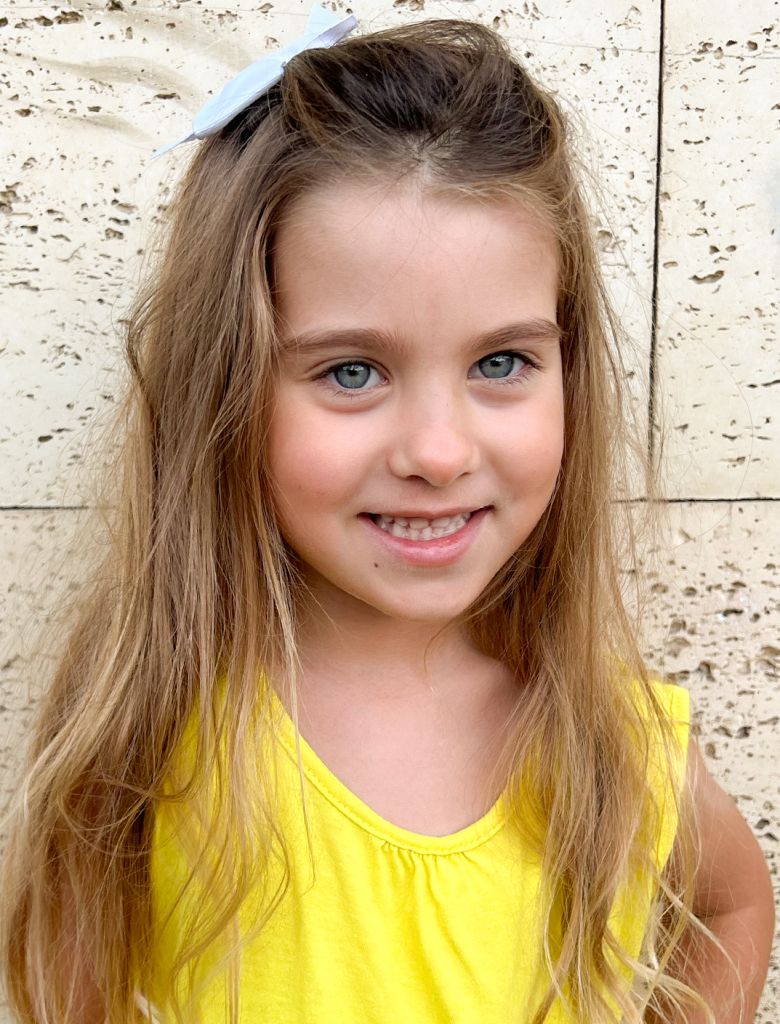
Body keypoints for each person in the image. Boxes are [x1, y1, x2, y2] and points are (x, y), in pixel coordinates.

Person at [0, 7, 773, 1024]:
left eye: (503, 361)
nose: (439, 453)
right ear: (224, 386)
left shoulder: (614, 740)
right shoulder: (153, 721)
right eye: (352, 371)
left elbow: (731, 901)